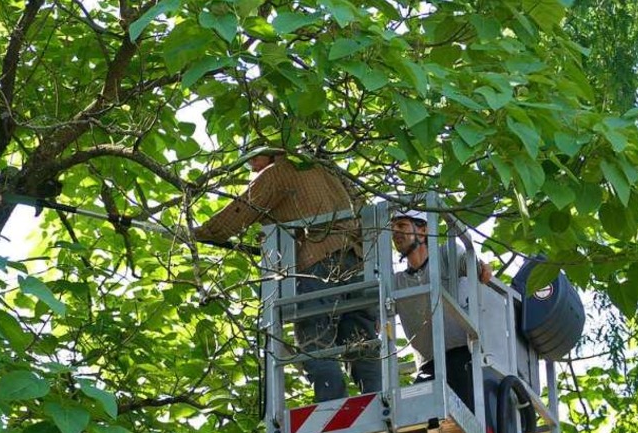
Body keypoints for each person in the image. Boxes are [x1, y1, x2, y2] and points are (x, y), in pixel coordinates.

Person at [194, 148, 381, 402]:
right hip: (356, 262)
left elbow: (240, 212)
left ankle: (332, 410)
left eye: (255, 159)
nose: (252, 167)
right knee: (361, 343)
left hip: (318, 264)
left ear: (272, 152)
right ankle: (382, 401)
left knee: (316, 344)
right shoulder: (324, 167)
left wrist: (200, 233)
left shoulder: (278, 171)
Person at [390, 209, 492, 411]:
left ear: (423, 231)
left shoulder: (446, 255)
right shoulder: (397, 282)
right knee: (413, 416)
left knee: (469, 418)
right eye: (392, 229)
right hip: (429, 366)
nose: (395, 232)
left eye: (401, 226)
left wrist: (481, 267)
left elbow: (470, 265)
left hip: (463, 357)